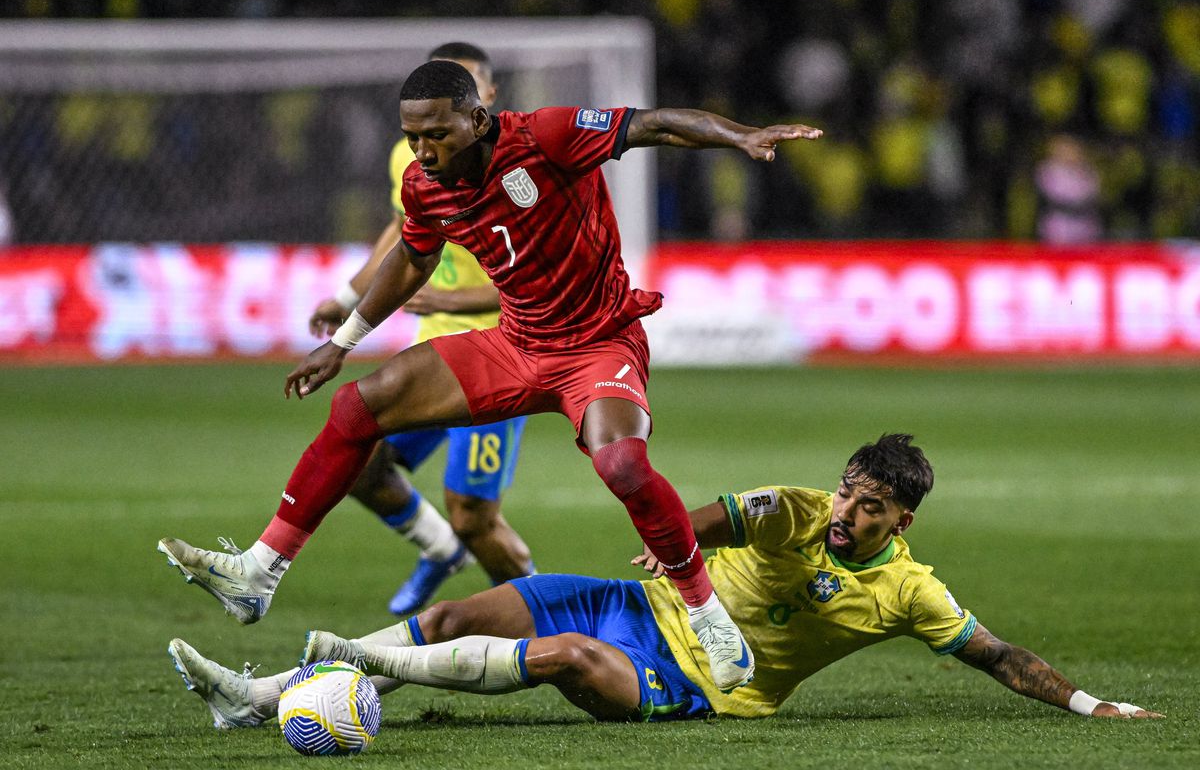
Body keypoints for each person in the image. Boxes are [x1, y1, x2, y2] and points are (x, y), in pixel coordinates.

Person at [157, 59, 824, 692]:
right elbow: (413, 261)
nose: (422, 149)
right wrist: (345, 340)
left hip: (597, 343)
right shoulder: (422, 185)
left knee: (621, 465)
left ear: (477, 120)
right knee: (361, 406)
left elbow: (650, 124)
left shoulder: (548, 137)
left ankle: (706, 616)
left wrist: (740, 136)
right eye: (412, 136)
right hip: (517, 343)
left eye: (436, 133)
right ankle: (259, 571)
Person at [167, 434, 1162, 726]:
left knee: (557, 659)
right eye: (848, 491)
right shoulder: (802, 505)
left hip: (702, 682)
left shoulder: (913, 591)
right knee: (447, 610)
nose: (846, 510)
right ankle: (253, 698)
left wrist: (1088, 700)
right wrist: (677, 545)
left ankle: (350, 666)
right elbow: (728, 512)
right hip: (636, 600)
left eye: (868, 507)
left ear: (902, 521)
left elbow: (997, 655)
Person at [307, 42, 534, 616]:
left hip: (500, 358)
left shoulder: (521, 170)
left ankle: (555, 612)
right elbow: (402, 234)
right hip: (433, 352)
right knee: (360, 463)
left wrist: (456, 299)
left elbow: (540, 276)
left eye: (473, 88)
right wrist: (348, 295)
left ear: (485, 101)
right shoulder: (412, 160)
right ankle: (438, 548)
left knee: (475, 518)